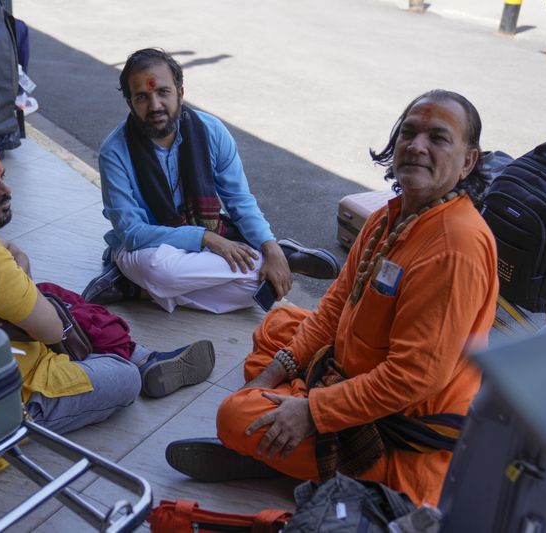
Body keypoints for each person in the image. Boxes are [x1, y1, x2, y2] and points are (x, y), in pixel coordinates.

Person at [164, 90, 499, 507]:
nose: (416, 146)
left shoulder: (454, 246)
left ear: (468, 161)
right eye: (409, 132)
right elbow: (336, 305)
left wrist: (313, 411)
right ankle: (287, 425)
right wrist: (276, 371)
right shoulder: (389, 216)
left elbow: (412, 379)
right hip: (353, 369)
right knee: (277, 326)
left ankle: (291, 449)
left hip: (400, 438)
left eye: (438, 137)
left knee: (234, 417)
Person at [0, 131, 216, 434]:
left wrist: (13, 261)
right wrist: (19, 272)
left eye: (1, 177)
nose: (6, 191)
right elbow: (51, 332)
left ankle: (144, 356)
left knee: (49, 296)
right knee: (122, 377)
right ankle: (129, 366)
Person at [81, 48, 339, 314]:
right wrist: (205, 239)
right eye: (142, 97)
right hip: (147, 249)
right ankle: (144, 281)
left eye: (163, 92)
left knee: (257, 289)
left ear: (180, 93)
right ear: (130, 103)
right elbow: (133, 233)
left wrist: (269, 246)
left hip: (201, 247)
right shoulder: (115, 152)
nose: (155, 105)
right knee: (160, 270)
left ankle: (137, 289)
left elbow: (239, 200)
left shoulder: (212, 132)